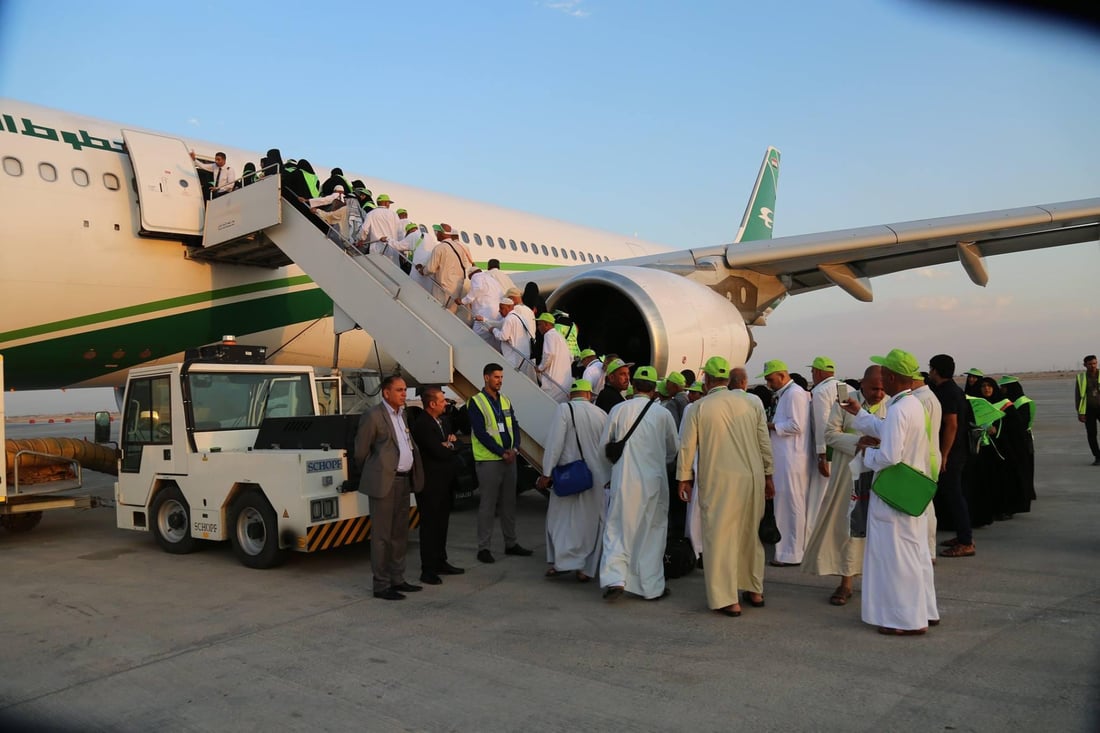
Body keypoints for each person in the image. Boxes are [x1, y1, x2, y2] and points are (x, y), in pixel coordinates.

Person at [841, 349, 938, 635]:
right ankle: (924, 611)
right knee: (914, 553)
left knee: (896, 556)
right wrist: (860, 415)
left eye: (884, 373)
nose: (881, 377)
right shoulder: (911, 404)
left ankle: (904, 621)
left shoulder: (898, 408)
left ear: (893, 377)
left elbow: (889, 455)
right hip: (910, 491)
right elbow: (888, 429)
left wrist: (866, 453)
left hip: (893, 493)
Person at [677, 356, 775, 617]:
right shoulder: (752, 402)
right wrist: (768, 475)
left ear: (707, 380)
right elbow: (764, 441)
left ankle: (727, 598)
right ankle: (754, 589)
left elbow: (687, 446)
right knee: (750, 535)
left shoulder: (699, 407)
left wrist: (684, 478)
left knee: (719, 538)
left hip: (720, 480)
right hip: (752, 478)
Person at [802, 365, 887, 606]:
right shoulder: (845, 403)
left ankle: (878, 583)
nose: (879, 394)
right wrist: (858, 441)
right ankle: (846, 583)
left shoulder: (891, 404)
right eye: (874, 388)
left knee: (878, 529)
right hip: (849, 474)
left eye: (882, 389)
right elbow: (830, 434)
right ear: (862, 383)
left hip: (880, 475)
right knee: (850, 528)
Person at [600, 366, 679, 602]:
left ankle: (615, 578)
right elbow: (672, 450)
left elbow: (605, 446)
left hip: (624, 479)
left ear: (634, 386)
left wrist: (608, 475)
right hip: (653, 481)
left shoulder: (618, 410)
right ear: (655, 389)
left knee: (617, 529)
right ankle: (650, 587)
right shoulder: (662, 414)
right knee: (652, 532)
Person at [354, 375, 424, 601]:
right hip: (384, 483)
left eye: (405, 390)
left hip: (403, 481)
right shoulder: (373, 416)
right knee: (382, 536)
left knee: (399, 534)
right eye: (400, 390)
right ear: (386, 393)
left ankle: (398, 578)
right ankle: (381, 584)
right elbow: (361, 452)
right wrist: (377, 472)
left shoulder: (401, 414)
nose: (404, 394)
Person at [536, 379, 611, 582]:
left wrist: (547, 472)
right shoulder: (602, 414)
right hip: (596, 477)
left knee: (559, 520)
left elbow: (554, 443)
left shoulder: (564, 410)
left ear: (571, 395)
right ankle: (585, 569)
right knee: (591, 522)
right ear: (588, 395)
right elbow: (607, 448)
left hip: (568, 476)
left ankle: (561, 563)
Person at [469, 363, 533, 563]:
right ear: (486, 378)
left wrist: (514, 448)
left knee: (509, 503)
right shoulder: (476, 402)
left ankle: (511, 543)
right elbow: (480, 433)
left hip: (509, 458)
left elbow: (514, 424)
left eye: (501, 377)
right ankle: (484, 548)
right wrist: (500, 452)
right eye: (496, 377)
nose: (500, 381)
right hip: (489, 460)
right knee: (488, 505)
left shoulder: (504, 400)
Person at [759, 359, 812, 567]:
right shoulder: (786, 394)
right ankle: (786, 550)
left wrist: (770, 426)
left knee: (792, 505)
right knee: (784, 505)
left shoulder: (795, 394)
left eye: (771, 380)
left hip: (792, 459)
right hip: (785, 458)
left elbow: (796, 425)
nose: (769, 384)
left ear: (782, 375)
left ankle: (792, 552)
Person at [409, 386, 465, 585]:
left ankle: (441, 561)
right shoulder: (422, 425)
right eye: (442, 400)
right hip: (431, 485)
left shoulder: (442, 421)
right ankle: (428, 569)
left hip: (445, 483)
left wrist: (450, 444)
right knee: (430, 526)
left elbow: (456, 444)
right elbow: (437, 452)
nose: (445, 403)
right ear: (432, 404)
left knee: (442, 525)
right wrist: (449, 446)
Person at [927, 354, 974, 558]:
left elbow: (951, 425)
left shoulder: (948, 392)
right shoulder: (949, 389)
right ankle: (962, 535)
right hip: (954, 451)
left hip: (952, 453)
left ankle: (966, 541)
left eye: (931, 368)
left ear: (936, 370)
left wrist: (944, 455)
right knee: (951, 495)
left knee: (954, 496)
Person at [807, 356, 840, 533]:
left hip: (828, 451)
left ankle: (813, 538)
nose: (812, 375)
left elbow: (823, 424)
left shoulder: (820, 392)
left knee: (818, 497)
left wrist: (822, 455)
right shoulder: (845, 387)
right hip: (845, 449)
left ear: (818, 372)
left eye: (812, 371)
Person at [425, 226, 469, 313]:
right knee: (451, 316)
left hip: (442, 288)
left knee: (438, 313)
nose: (437, 234)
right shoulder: (460, 247)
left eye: (437, 232)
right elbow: (465, 265)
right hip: (456, 289)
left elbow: (430, 269)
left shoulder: (439, 248)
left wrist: (422, 270)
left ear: (442, 233)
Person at [462, 267, 505, 348]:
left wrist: (463, 301)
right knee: (494, 342)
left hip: (484, 316)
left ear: (471, 274)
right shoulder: (491, 279)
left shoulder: (476, 276)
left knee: (477, 340)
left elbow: (477, 288)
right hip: (497, 316)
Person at [535, 312, 571, 401]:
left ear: (546, 324)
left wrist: (540, 368)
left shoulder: (549, 335)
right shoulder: (560, 337)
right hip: (564, 382)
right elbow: (571, 357)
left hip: (553, 382)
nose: (538, 327)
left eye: (540, 324)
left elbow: (549, 354)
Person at [1075, 354, 1100, 465]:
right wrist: (1080, 412)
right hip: (1088, 410)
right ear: (1085, 365)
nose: (1093, 366)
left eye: (1094, 363)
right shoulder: (1081, 378)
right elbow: (1078, 396)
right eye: (1090, 364)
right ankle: (1097, 456)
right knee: (1091, 434)